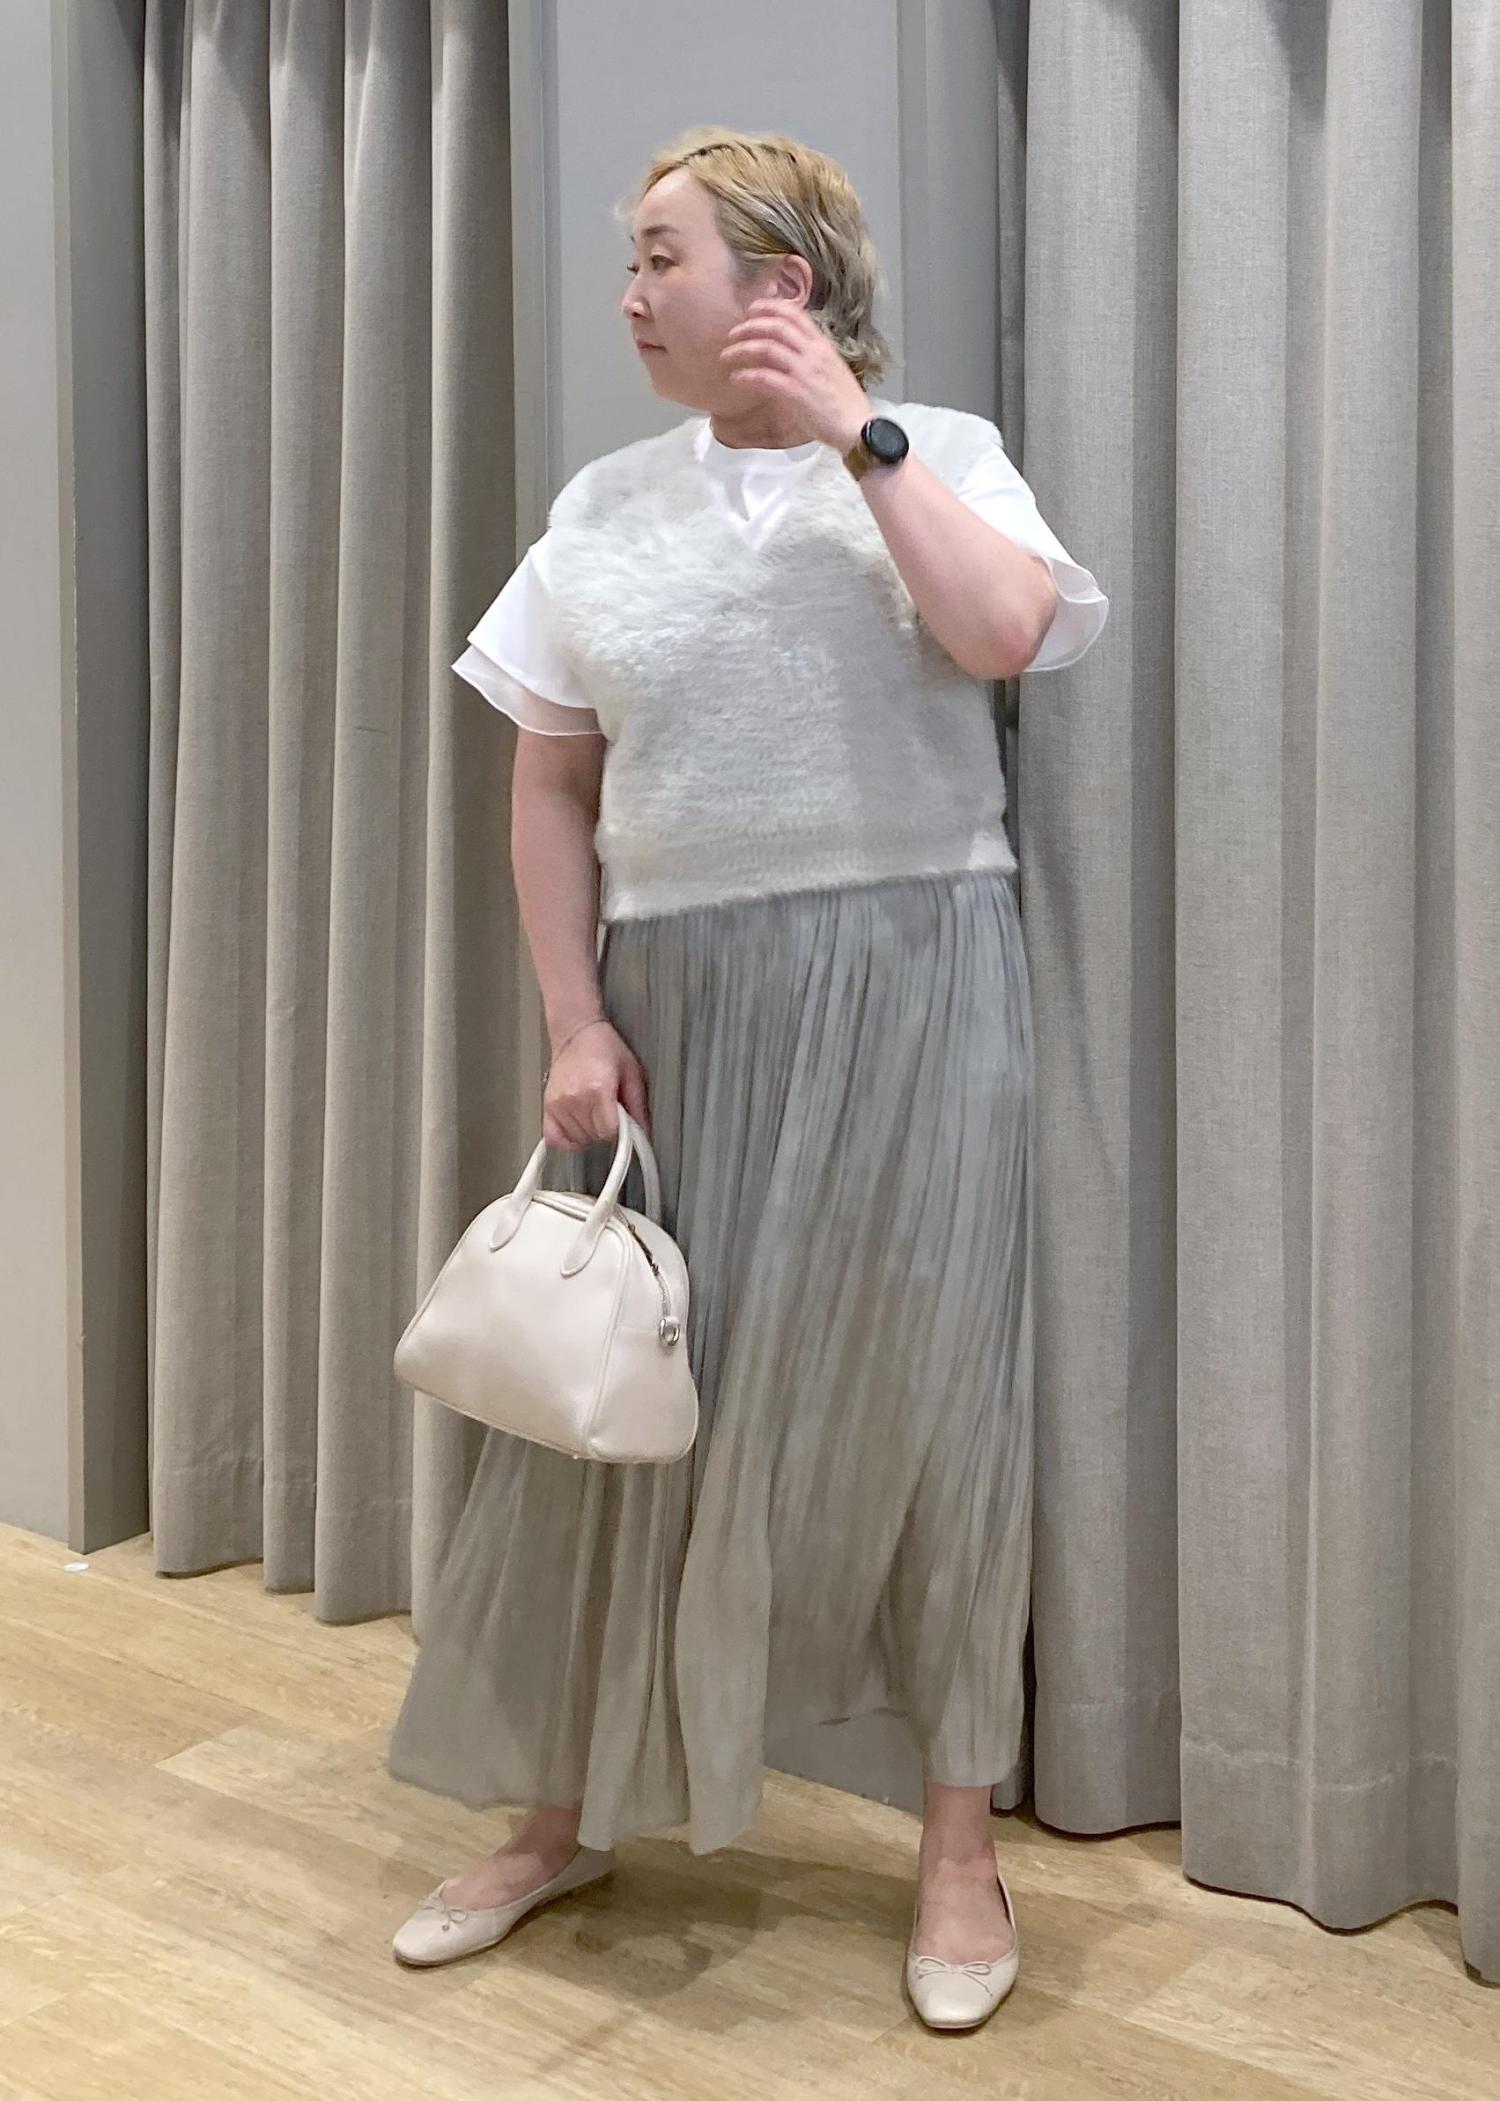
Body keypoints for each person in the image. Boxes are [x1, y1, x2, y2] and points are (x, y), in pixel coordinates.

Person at [386, 124, 1108, 2032]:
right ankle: (560, 1812)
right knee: (620, 1397)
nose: (629, 296)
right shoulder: (602, 505)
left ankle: (957, 1850)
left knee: (935, 1398)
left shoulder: (939, 455)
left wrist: (861, 431)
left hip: (915, 972)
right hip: (675, 998)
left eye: (662, 258)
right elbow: (551, 782)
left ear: (779, 284)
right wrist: (573, 1017)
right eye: (631, 261)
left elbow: (1007, 635)